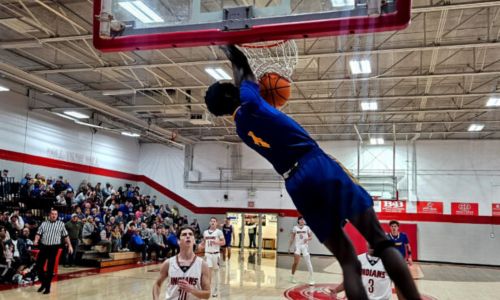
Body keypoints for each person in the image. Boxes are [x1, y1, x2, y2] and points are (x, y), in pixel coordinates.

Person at [204, 45, 421, 300]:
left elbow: (241, 79)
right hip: (314, 164)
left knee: (348, 262)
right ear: (234, 93)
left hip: (295, 184)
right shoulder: (251, 102)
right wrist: (228, 44)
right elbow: (242, 65)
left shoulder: (241, 129)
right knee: (381, 242)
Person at [152, 226, 211, 300]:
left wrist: (193, 290)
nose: (188, 236)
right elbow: (157, 284)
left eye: (190, 234)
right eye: (184, 234)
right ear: (178, 241)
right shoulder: (168, 263)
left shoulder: (203, 264)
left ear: (194, 240)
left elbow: (207, 294)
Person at [331, 244, 396, 300]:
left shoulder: (389, 261)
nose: (371, 243)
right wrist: (336, 290)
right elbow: (351, 280)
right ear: (366, 242)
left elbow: (400, 286)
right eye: (369, 240)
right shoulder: (358, 260)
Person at [34, 209, 73, 294]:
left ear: (57, 215)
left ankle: (47, 287)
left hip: (54, 248)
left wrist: (70, 245)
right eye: (52, 214)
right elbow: (38, 234)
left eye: (55, 214)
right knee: (38, 266)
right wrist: (36, 240)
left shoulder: (61, 224)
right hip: (44, 247)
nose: (54, 215)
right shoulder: (44, 224)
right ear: (49, 215)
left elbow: (66, 236)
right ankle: (44, 283)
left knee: (50, 268)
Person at [202, 217, 225, 298]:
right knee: (208, 272)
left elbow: (223, 242)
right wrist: (200, 245)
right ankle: (208, 290)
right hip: (208, 254)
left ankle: (216, 290)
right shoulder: (205, 232)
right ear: (209, 222)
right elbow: (204, 242)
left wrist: (217, 242)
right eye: (211, 221)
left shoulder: (219, 232)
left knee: (216, 272)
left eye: (214, 221)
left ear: (216, 223)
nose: (212, 222)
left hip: (216, 254)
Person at [288, 216, 314, 285]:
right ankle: (292, 277)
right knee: (296, 262)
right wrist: (289, 247)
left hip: (305, 247)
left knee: (308, 262)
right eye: (301, 220)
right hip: (297, 246)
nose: (302, 221)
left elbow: (311, 237)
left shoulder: (307, 228)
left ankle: (311, 278)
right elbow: (292, 238)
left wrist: (307, 239)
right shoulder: (295, 228)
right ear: (298, 221)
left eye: (303, 220)